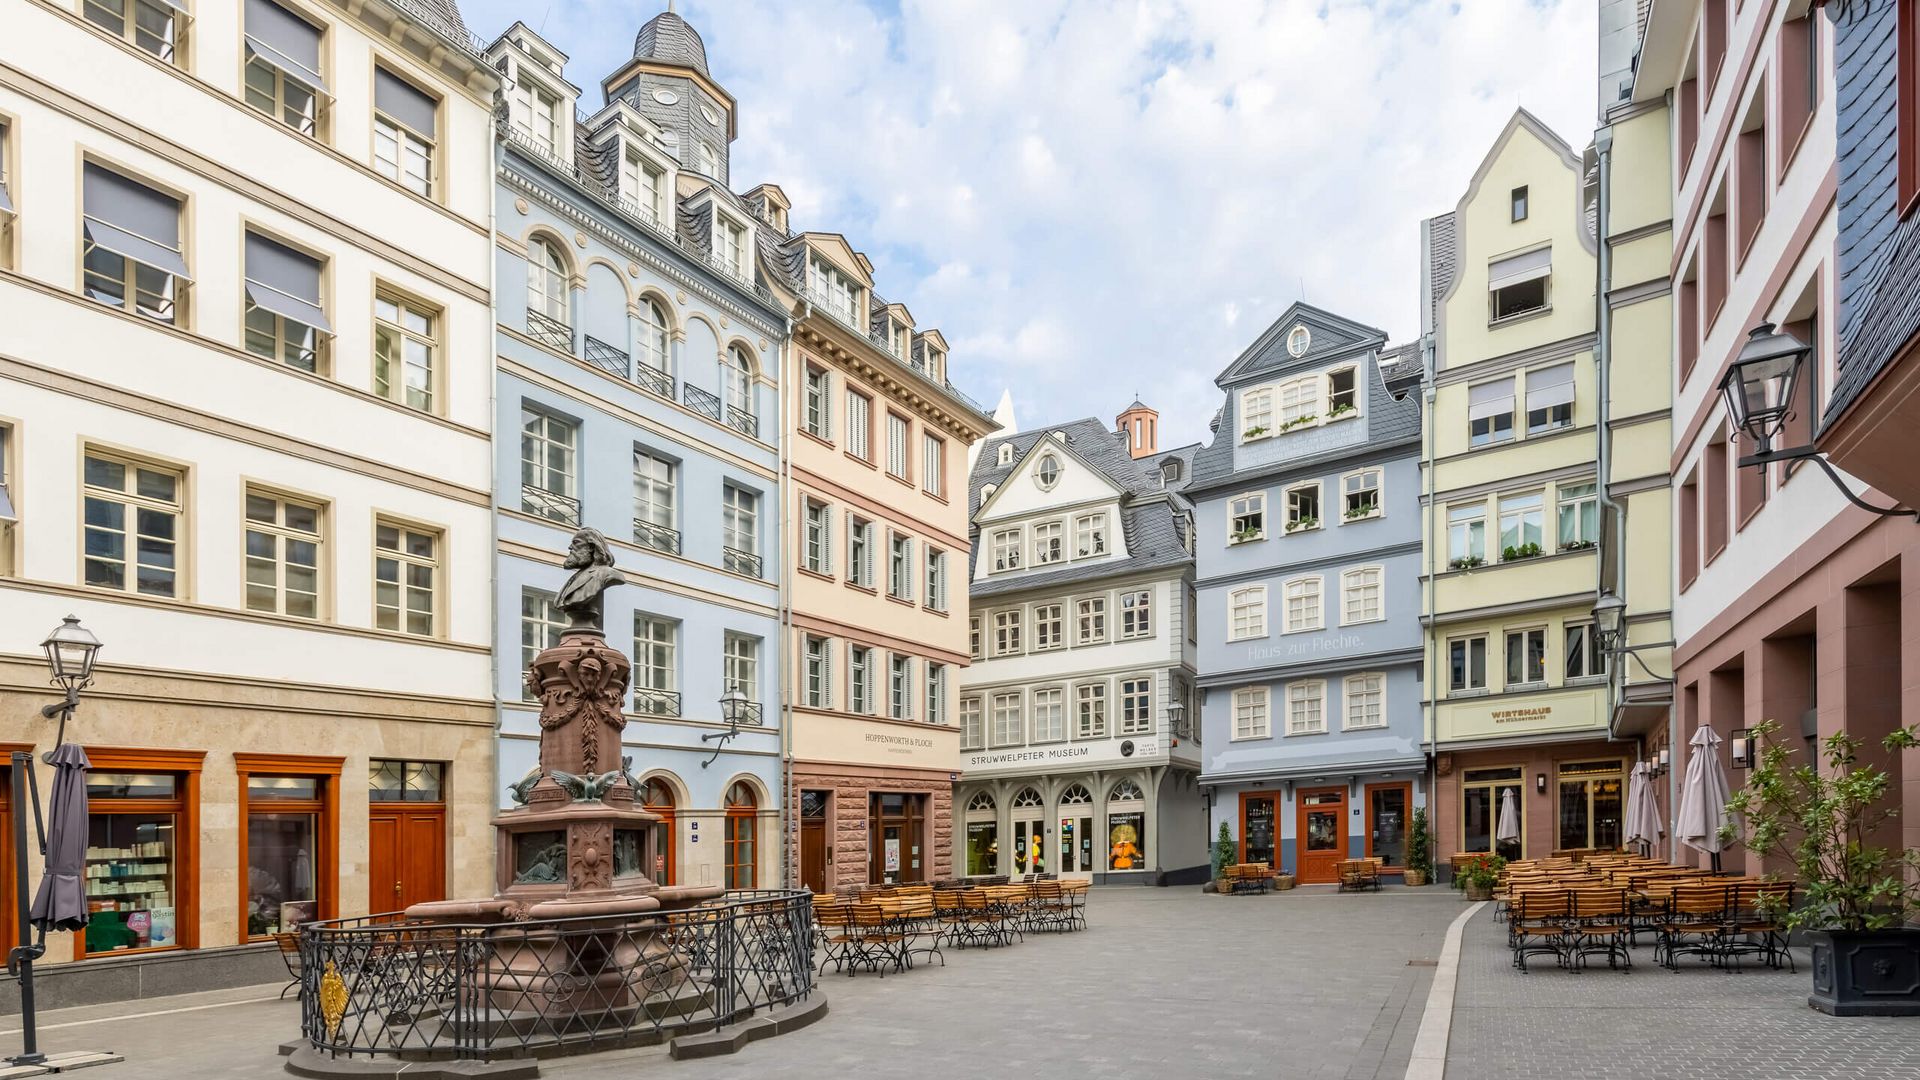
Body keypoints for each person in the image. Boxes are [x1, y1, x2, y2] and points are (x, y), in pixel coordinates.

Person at [555, 528, 627, 631]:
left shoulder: (606, 573)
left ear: (591, 547)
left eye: (576, 543)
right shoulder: (575, 578)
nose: (570, 547)